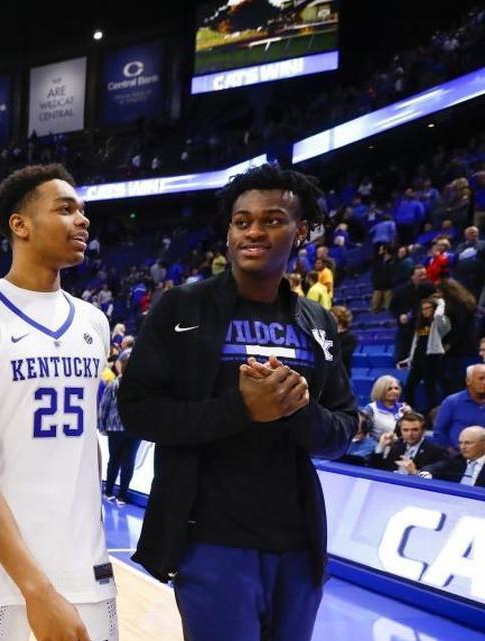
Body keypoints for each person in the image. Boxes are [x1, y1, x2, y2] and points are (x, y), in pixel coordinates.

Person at [118, 164, 356, 641]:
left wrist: (297, 410)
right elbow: (138, 409)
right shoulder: (179, 308)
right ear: (228, 232)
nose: (253, 231)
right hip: (210, 541)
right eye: (242, 221)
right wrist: (242, 409)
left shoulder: (318, 322)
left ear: (300, 230)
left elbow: (343, 427)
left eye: (271, 220)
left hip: (298, 545)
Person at [0, 164, 118, 641]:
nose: (82, 220)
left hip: (87, 565)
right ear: (19, 225)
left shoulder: (93, 323)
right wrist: (36, 588)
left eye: (83, 211)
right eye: (65, 209)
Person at [99, 348, 139, 505]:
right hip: (135, 429)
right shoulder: (142, 386)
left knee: (114, 459)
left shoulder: (114, 384)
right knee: (129, 462)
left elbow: (104, 406)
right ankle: (122, 496)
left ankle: (108, 491)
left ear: (121, 365)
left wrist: (102, 426)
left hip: (115, 428)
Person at [399, 294, 451, 414]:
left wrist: (441, 302)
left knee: (430, 390)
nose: (425, 311)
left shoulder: (440, 323)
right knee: (409, 387)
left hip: (432, 359)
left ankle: (431, 417)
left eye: (428, 308)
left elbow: (438, 316)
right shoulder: (419, 324)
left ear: (434, 309)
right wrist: (409, 359)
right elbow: (415, 344)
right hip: (418, 359)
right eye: (423, 308)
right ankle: (410, 413)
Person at [366, 411, 448, 473]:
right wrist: (381, 446)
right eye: (405, 430)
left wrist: (415, 472)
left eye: (415, 430)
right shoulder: (396, 447)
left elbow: (436, 478)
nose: (410, 434)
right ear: (400, 431)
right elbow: (377, 469)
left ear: (423, 431)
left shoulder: (436, 451)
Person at [432, 364, 485, 453]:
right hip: (458, 457)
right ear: (468, 381)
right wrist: (452, 453)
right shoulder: (452, 402)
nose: (484, 382)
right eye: (481, 379)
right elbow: (439, 431)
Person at [390, 265, 436, 362]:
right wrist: (399, 316)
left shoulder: (430, 288)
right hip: (407, 329)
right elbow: (393, 307)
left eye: (424, 274)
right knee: (401, 357)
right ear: (412, 276)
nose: (423, 277)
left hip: (425, 327)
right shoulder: (401, 291)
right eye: (420, 275)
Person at [418, 425, 485, 486]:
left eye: (468, 443)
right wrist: (426, 474)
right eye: (460, 443)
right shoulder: (457, 460)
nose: (462, 447)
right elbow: (431, 468)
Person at [363, 375, 409, 440]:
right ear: (380, 390)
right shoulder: (370, 409)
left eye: (396, 388)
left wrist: (409, 414)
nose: (394, 391)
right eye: (389, 389)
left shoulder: (404, 408)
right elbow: (363, 433)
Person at [330, 306, 356, 376]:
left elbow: (342, 356)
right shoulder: (328, 335)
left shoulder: (350, 337)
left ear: (339, 318)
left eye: (331, 316)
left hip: (342, 375)